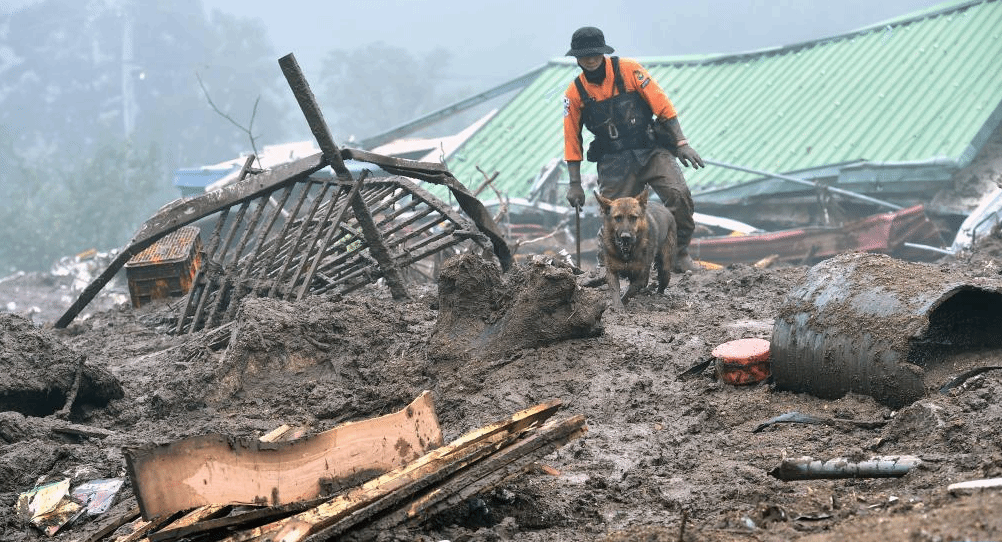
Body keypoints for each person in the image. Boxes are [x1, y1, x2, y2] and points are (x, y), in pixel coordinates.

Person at [562, 26, 705, 272]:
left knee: (679, 194)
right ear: (576, 58)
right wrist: (574, 183)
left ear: (603, 52)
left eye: (595, 53)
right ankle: (612, 265)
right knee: (615, 214)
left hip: (649, 149)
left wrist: (681, 142)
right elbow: (571, 138)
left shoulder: (630, 70)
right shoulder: (574, 93)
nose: (591, 59)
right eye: (585, 55)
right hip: (613, 160)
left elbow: (662, 105)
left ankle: (678, 254)